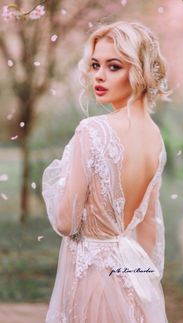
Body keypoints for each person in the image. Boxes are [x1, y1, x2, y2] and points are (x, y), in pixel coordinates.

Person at [42, 21, 171, 322]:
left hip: (93, 279)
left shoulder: (93, 130)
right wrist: (140, 278)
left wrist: (57, 186)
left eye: (114, 66)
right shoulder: (156, 138)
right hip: (133, 277)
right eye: (95, 65)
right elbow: (148, 227)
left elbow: (65, 222)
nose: (98, 76)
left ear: (138, 71)